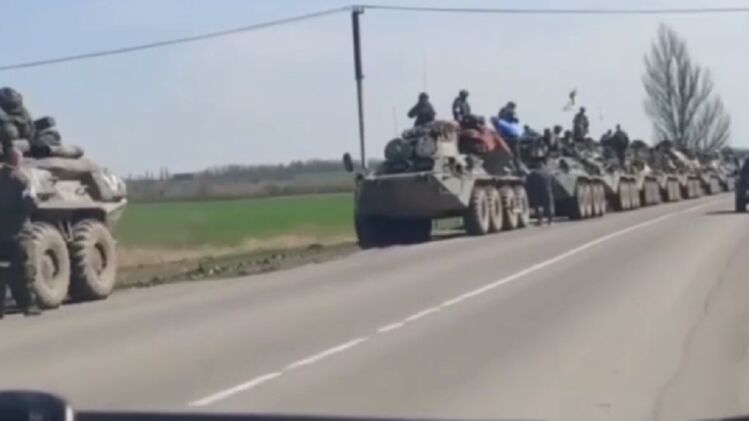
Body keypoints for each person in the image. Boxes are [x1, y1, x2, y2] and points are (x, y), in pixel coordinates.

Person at [0, 146, 41, 317]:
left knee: (2, 273)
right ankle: (28, 306)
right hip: (19, 233)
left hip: (2, 236)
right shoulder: (22, 179)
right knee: (25, 271)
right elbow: (31, 202)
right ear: (17, 160)